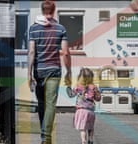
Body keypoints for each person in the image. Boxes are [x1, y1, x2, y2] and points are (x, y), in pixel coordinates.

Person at [27, 1, 72, 144]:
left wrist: (29, 73)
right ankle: (46, 137)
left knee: (42, 104)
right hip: (54, 71)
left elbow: (32, 51)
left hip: (39, 71)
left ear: (41, 10)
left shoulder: (33, 28)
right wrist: (69, 71)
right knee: (50, 104)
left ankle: (44, 136)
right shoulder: (60, 28)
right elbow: (65, 53)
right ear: (54, 11)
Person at [67, 68, 101, 144]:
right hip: (90, 111)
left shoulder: (78, 87)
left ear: (80, 77)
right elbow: (98, 99)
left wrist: (68, 87)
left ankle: (83, 141)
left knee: (83, 128)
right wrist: (97, 92)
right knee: (90, 127)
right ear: (91, 77)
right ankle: (91, 140)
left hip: (81, 111)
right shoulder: (94, 87)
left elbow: (71, 95)